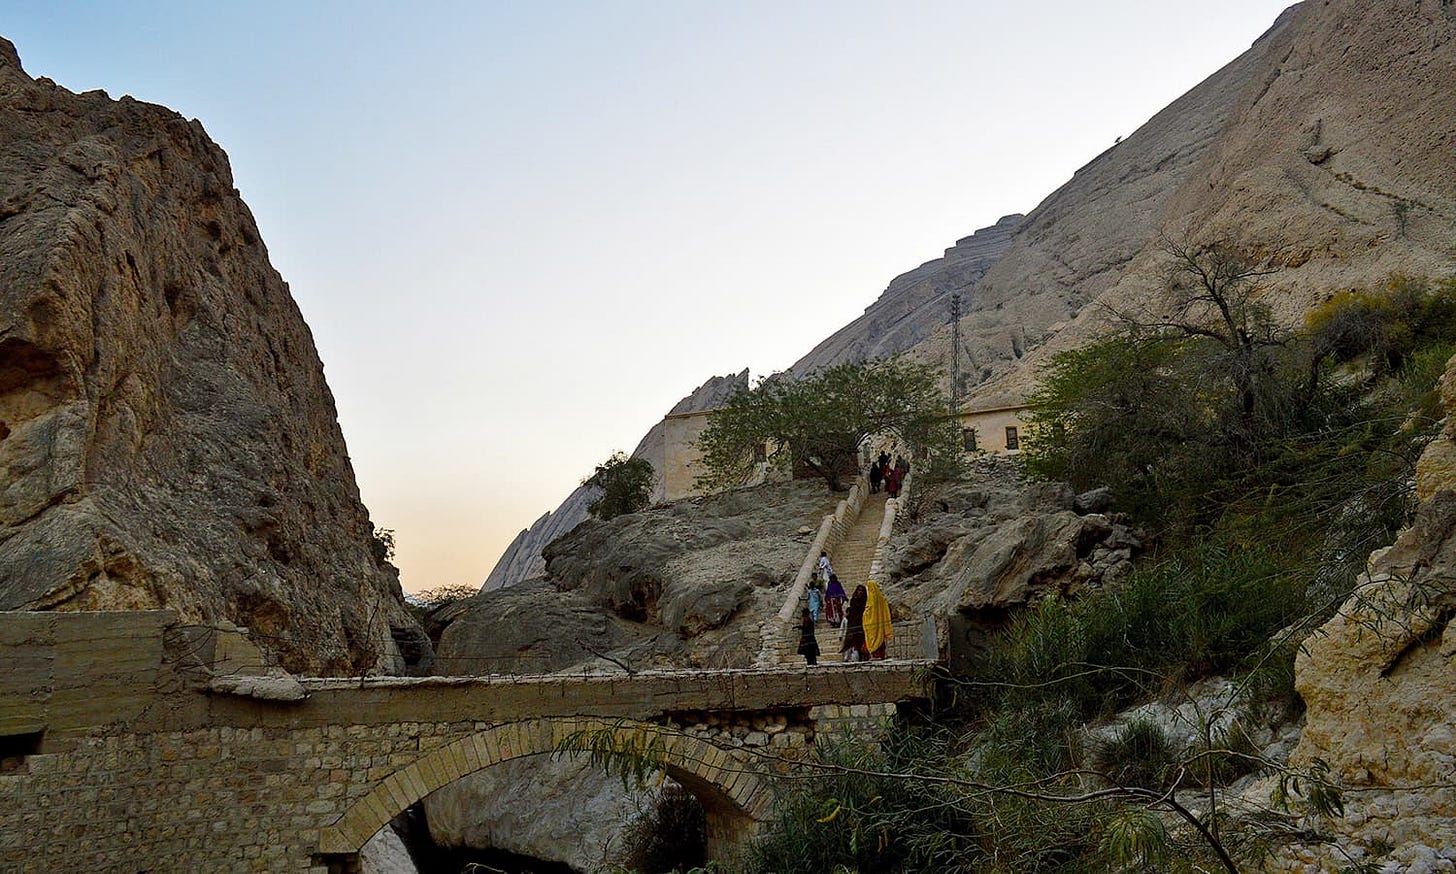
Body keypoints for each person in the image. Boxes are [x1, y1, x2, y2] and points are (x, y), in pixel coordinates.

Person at [863, 579, 893, 660]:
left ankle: (875, 656)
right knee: (880, 643)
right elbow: (886, 613)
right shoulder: (882, 599)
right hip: (880, 627)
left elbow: (867, 614)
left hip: (872, 627)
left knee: (873, 643)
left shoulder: (870, 600)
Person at [842, 584, 868, 661]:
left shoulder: (865, 602)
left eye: (861, 591)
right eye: (858, 590)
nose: (860, 592)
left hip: (862, 624)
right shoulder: (853, 600)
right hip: (853, 625)